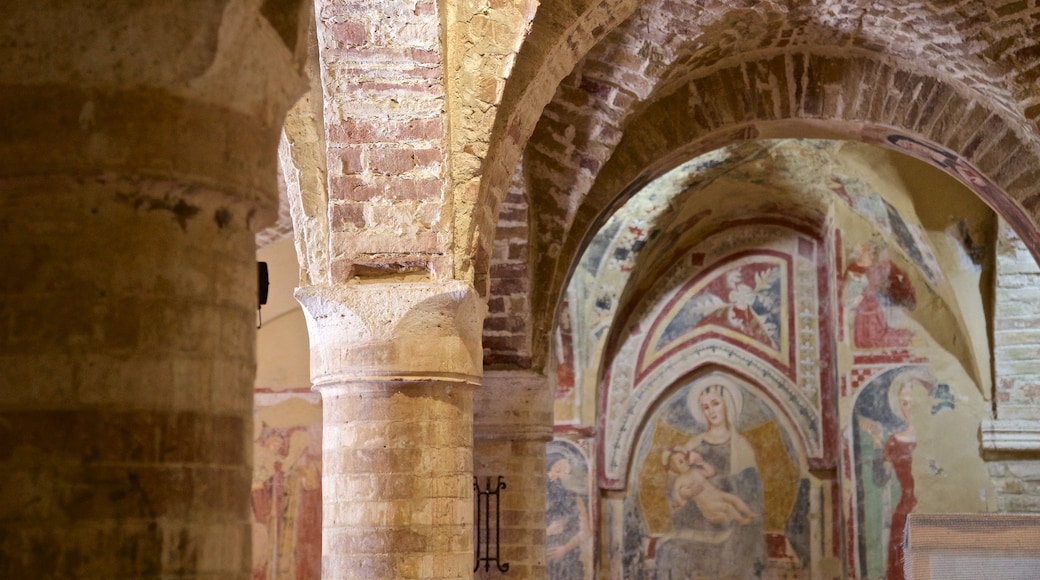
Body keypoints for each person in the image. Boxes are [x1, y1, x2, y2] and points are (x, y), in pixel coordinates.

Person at [654, 381, 766, 579]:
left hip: (731, 523)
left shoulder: (741, 447)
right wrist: (683, 495)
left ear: (727, 405)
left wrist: (718, 486)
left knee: (739, 545)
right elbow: (675, 485)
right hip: (698, 521)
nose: (711, 411)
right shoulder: (693, 445)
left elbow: (752, 490)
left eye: (715, 403)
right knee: (669, 549)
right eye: (705, 407)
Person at [843, 241, 915, 349]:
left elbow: (887, 280)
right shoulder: (853, 268)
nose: (871, 256)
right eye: (869, 253)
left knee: (877, 332)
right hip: (862, 305)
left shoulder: (876, 267)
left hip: (873, 304)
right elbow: (848, 288)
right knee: (865, 336)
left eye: (872, 253)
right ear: (862, 254)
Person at [662, 447, 757, 525]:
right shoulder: (680, 481)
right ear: (674, 468)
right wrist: (683, 495)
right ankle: (741, 520)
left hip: (718, 494)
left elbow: (712, 473)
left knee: (734, 498)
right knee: (727, 506)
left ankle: (749, 513)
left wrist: (701, 462)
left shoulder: (695, 471)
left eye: (685, 459)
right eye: (681, 462)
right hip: (708, 504)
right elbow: (676, 494)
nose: (686, 462)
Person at [546, 454, 590, 578]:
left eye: (566, 470)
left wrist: (565, 548)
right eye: (557, 471)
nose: (560, 476)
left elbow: (585, 532)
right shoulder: (538, 497)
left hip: (568, 560)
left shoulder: (575, 498)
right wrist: (546, 531)